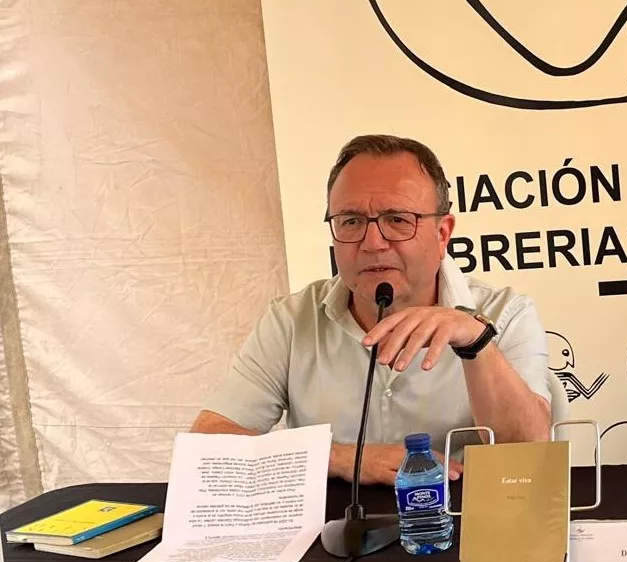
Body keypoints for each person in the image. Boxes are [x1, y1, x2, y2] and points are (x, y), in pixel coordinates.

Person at [191, 135, 553, 485]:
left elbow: (534, 456)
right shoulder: (291, 321)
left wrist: (477, 343)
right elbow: (208, 446)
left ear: (443, 234)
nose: (373, 243)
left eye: (398, 219)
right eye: (351, 221)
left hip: (462, 525)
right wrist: (345, 458)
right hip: (332, 532)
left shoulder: (505, 314)